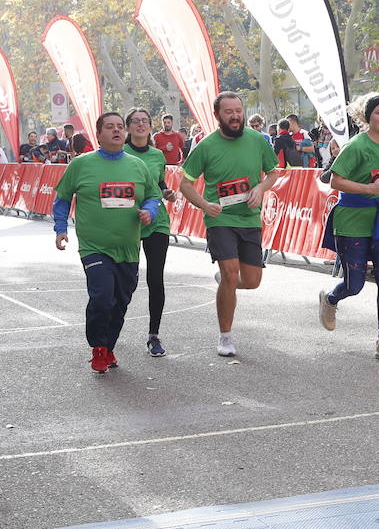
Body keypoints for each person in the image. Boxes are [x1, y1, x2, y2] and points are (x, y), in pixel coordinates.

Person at [55, 112, 161, 373]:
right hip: (94, 246)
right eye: (109, 127)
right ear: (99, 134)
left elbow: (153, 196)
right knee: (102, 296)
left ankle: (109, 346)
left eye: (119, 127)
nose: (116, 131)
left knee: (121, 301)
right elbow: (63, 198)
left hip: (128, 247)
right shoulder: (81, 164)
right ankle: (98, 349)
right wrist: (60, 228)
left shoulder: (138, 165)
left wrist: (150, 211)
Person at [180, 91, 279, 357]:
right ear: (217, 116)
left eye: (238, 111)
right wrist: (204, 204)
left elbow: (273, 173)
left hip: (249, 218)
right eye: (229, 112)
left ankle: (227, 281)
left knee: (253, 280)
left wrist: (260, 188)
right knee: (230, 271)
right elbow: (185, 184)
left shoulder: (258, 140)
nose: (235, 116)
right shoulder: (206, 146)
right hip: (220, 218)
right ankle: (226, 337)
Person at [317, 93, 379, 362]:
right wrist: (369, 189)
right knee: (355, 283)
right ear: (368, 117)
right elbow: (335, 181)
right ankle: (332, 298)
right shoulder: (356, 146)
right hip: (352, 219)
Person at [124, 108, 176, 357]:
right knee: (126, 280)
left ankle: (153, 335)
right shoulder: (119, 153)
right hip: (127, 221)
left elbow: (160, 183)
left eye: (145, 121)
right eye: (135, 121)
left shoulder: (157, 155)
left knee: (155, 279)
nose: (141, 125)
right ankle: (113, 329)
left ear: (150, 126)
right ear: (128, 127)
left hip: (157, 221)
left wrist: (168, 193)